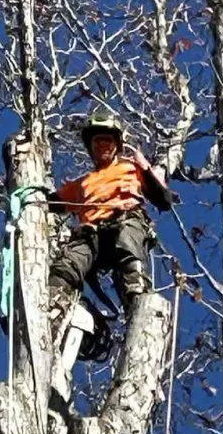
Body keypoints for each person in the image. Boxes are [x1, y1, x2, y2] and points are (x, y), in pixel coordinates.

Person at [48, 112, 171, 332]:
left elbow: (163, 200)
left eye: (107, 140)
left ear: (117, 145)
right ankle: (53, 306)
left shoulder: (131, 168)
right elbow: (51, 203)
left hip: (125, 220)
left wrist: (145, 168)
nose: (102, 145)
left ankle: (137, 299)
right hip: (91, 233)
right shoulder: (82, 184)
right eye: (97, 141)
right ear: (90, 147)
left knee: (128, 248)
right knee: (69, 262)